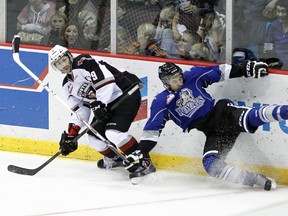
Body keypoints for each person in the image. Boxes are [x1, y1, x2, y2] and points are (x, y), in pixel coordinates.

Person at [124, 60, 288, 191]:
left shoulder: (192, 76)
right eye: (175, 81)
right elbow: (152, 132)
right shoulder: (162, 102)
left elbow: (219, 72)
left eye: (180, 77)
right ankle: (255, 179)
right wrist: (140, 152)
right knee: (210, 166)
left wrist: (246, 68)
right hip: (212, 133)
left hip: (223, 114)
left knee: (252, 116)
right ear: (166, 83)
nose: (180, 82)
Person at [48, 45, 142, 169]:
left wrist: (100, 103)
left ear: (69, 56)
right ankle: (116, 158)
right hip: (108, 104)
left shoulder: (83, 61)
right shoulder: (67, 85)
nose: (63, 65)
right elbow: (80, 109)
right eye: (58, 63)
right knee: (94, 139)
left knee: (113, 133)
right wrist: (72, 134)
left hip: (125, 92)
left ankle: (144, 161)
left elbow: (107, 80)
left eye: (64, 60)